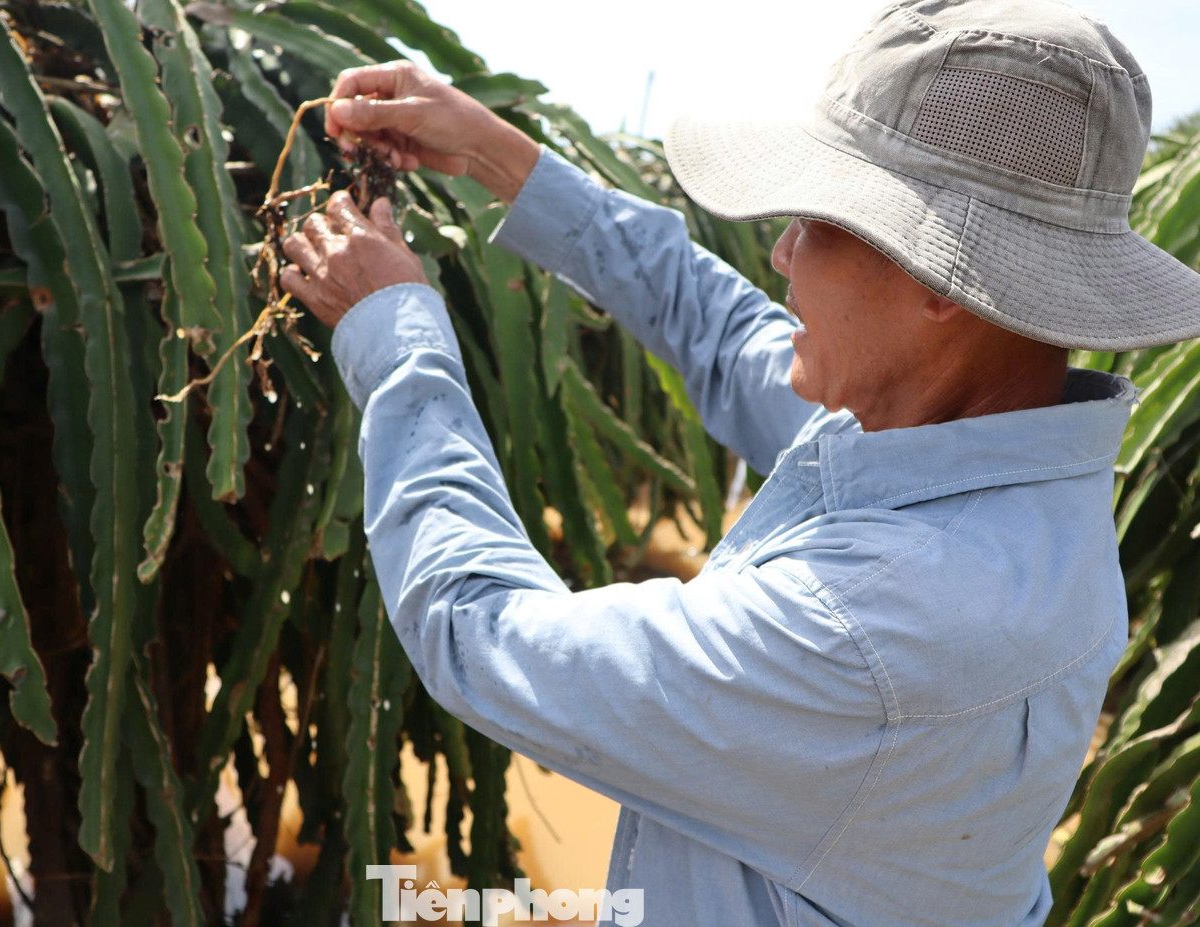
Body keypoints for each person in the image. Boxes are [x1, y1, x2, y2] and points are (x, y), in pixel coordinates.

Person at [277, 1, 1200, 923]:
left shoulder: (881, 620)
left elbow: (481, 635)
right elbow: (723, 333)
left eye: (816, 219)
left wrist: (398, 336)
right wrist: (491, 152)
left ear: (935, 277)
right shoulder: (974, 468)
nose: (782, 249)